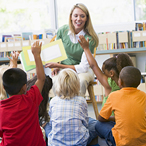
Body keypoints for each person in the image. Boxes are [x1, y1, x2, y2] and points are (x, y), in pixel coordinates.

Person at [45, 3, 99, 96]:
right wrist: (56, 65)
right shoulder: (63, 30)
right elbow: (56, 51)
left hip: (83, 71)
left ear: (87, 19)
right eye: (76, 15)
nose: (78, 19)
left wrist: (60, 66)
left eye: (82, 16)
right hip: (63, 69)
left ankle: (76, 107)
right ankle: (60, 108)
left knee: (81, 81)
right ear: (71, 17)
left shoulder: (90, 39)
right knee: (55, 80)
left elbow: (83, 67)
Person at [0, 41, 46, 146]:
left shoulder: (1, 110)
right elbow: (41, 79)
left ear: (4, 87)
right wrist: (37, 55)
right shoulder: (30, 99)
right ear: (25, 87)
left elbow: (2, 134)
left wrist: (13, 65)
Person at [95, 66, 146, 146]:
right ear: (139, 82)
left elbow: (101, 118)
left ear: (120, 82)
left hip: (121, 141)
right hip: (142, 141)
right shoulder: (143, 95)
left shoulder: (113, 95)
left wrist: (114, 118)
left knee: (98, 125)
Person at [45, 69, 89, 146]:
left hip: (56, 144)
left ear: (57, 85)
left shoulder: (53, 101)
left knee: (47, 126)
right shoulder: (81, 100)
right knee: (93, 124)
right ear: (77, 84)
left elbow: (52, 123)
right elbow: (85, 123)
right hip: (78, 143)